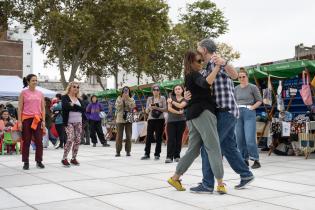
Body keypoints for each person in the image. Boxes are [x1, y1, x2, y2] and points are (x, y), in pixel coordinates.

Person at [187, 39, 254, 193]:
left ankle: (207, 184)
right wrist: (187, 93)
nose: (197, 52)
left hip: (226, 111)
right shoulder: (207, 68)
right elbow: (201, 85)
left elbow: (235, 74)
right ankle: (246, 174)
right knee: (228, 146)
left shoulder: (218, 62)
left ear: (204, 50)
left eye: (198, 49)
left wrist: (224, 63)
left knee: (208, 147)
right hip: (221, 112)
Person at [168, 51, 226, 194]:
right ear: (191, 63)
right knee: (214, 147)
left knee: (193, 150)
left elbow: (191, 95)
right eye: (198, 61)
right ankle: (220, 183)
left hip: (193, 116)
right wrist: (218, 67)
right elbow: (206, 83)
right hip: (203, 113)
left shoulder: (188, 77)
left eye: (202, 61)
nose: (201, 63)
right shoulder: (194, 75)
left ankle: (175, 177)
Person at [235, 68, 262, 169]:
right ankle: (244, 159)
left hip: (249, 112)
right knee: (239, 138)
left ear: (247, 77)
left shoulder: (253, 87)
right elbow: (233, 101)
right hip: (238, 113)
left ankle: (255, 160)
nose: (242, 78)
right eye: (240, 77)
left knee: (250, 138)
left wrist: (252, 108)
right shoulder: (236, 89)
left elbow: (259, 100)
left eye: (243, 76)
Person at [18, 74, 45, 170]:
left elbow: (43, 108)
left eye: (36, 80)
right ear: (28, 82)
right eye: (33, 80)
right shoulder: (23, 93)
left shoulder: (40, 93)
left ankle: (39, 161)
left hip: (37, 119)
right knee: (26, 141)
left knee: (39, 141)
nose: (35, 82)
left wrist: (44, 121)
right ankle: (26, 162)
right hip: (26, 119)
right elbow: (20, 108)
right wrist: (20, 121)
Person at [61, 82, 86, 167]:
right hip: (69, 122)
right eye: (74, 87)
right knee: (70, 139)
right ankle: (64, 158)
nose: (76, 88)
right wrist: (76, 108)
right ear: (70, 88)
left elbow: (83, 109)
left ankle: (73, 158)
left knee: (78, 140)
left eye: (78, 87)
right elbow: (66, 107)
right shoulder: (65, 97)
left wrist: (73, 105)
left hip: (79, 122)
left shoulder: (79, 99)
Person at [141, 84, 167, 160]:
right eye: (154, 90)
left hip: (160, 119)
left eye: (157, 90)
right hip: (151, 119)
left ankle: (157, 154)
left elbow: (166, 109)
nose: (156, 91)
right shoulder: (149, 99)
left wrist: (157, 107)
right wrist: (149, 107)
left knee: (159, 137)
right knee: (149, 137)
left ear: (159, 91)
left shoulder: (162, 98)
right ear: (152, 91)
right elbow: (146, 111)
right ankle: (146, 153)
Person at [165, 85, 187, 163]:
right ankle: (169, 157)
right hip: (171, 121)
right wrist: (178, 112)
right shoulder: (171, 98)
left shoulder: (185, 99)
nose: (177, 90)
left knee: (179, 139)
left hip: (181, 121)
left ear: (182, 90)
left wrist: (171, 101)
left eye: (179, 89)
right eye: (176, 89)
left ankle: (177, 156)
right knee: (171, 139)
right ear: (174, 91)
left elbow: (181, 105)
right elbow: (169, 109)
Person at [114, 86, 136, 157]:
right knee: (119, 136)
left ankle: (128, 151)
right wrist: (122, 100)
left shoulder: (131, 99)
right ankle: (118, 151)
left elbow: (132, 107)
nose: (126, 92)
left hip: (129, 118)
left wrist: (128, 99)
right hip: (120, 119)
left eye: (127, 90)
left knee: (129, 136)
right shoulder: (119, 98)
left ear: (129, 91)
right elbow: (117, 107)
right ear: (122, 91)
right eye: (124, 90)